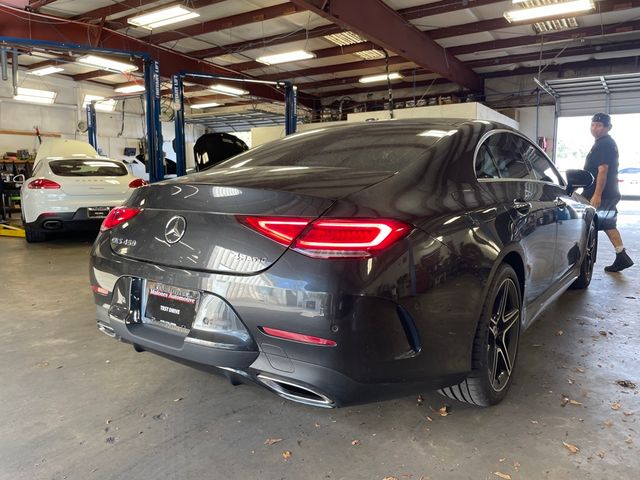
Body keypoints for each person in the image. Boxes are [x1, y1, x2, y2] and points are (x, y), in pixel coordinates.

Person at [583, 112, 634, 272]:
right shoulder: (602, 143)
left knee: (604, 223)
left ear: (608, 127)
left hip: (602, 193)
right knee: (607, 223)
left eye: (599, 125)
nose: (595, 128)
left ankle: (619, 256)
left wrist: (597, 194)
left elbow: (603, 170)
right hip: (604, 192)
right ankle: (621, 256)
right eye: (593, 124)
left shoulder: (604, 143)